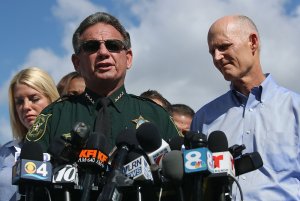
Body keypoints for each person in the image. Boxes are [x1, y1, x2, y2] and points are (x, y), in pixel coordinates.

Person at [26, 12, 180, 201]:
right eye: (91, 46)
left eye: (113, 46)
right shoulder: (53, 116)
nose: (103, 52)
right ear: (76, 62)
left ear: (128, 58)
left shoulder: (156, 115)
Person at [191, 15, 300, 200]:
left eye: (224, 46)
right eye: (212, 51)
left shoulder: (295, 108)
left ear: (253, 42)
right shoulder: (203, 118)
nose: (217, 57)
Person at [0, 67, 59, 201]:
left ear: (52, 99)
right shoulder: (5, 152)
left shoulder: (68, 149)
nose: (26, 107)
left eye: (34, 98)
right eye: (19, 102)